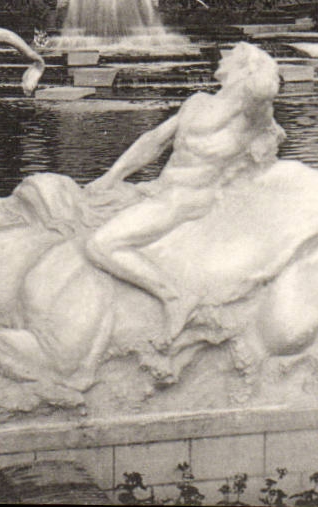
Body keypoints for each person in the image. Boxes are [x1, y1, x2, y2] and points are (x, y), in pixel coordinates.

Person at [84, 42, 287, 344]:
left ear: (244, 69)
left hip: (191, 200)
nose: (223, 56)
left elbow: (264, 93)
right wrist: (112, 176)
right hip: (162, 192)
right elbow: (154, 140)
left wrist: (260, 66)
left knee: (101, 244)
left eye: (231, 55)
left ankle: (175, 297)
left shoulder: (249, 114)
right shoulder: (198, 101)